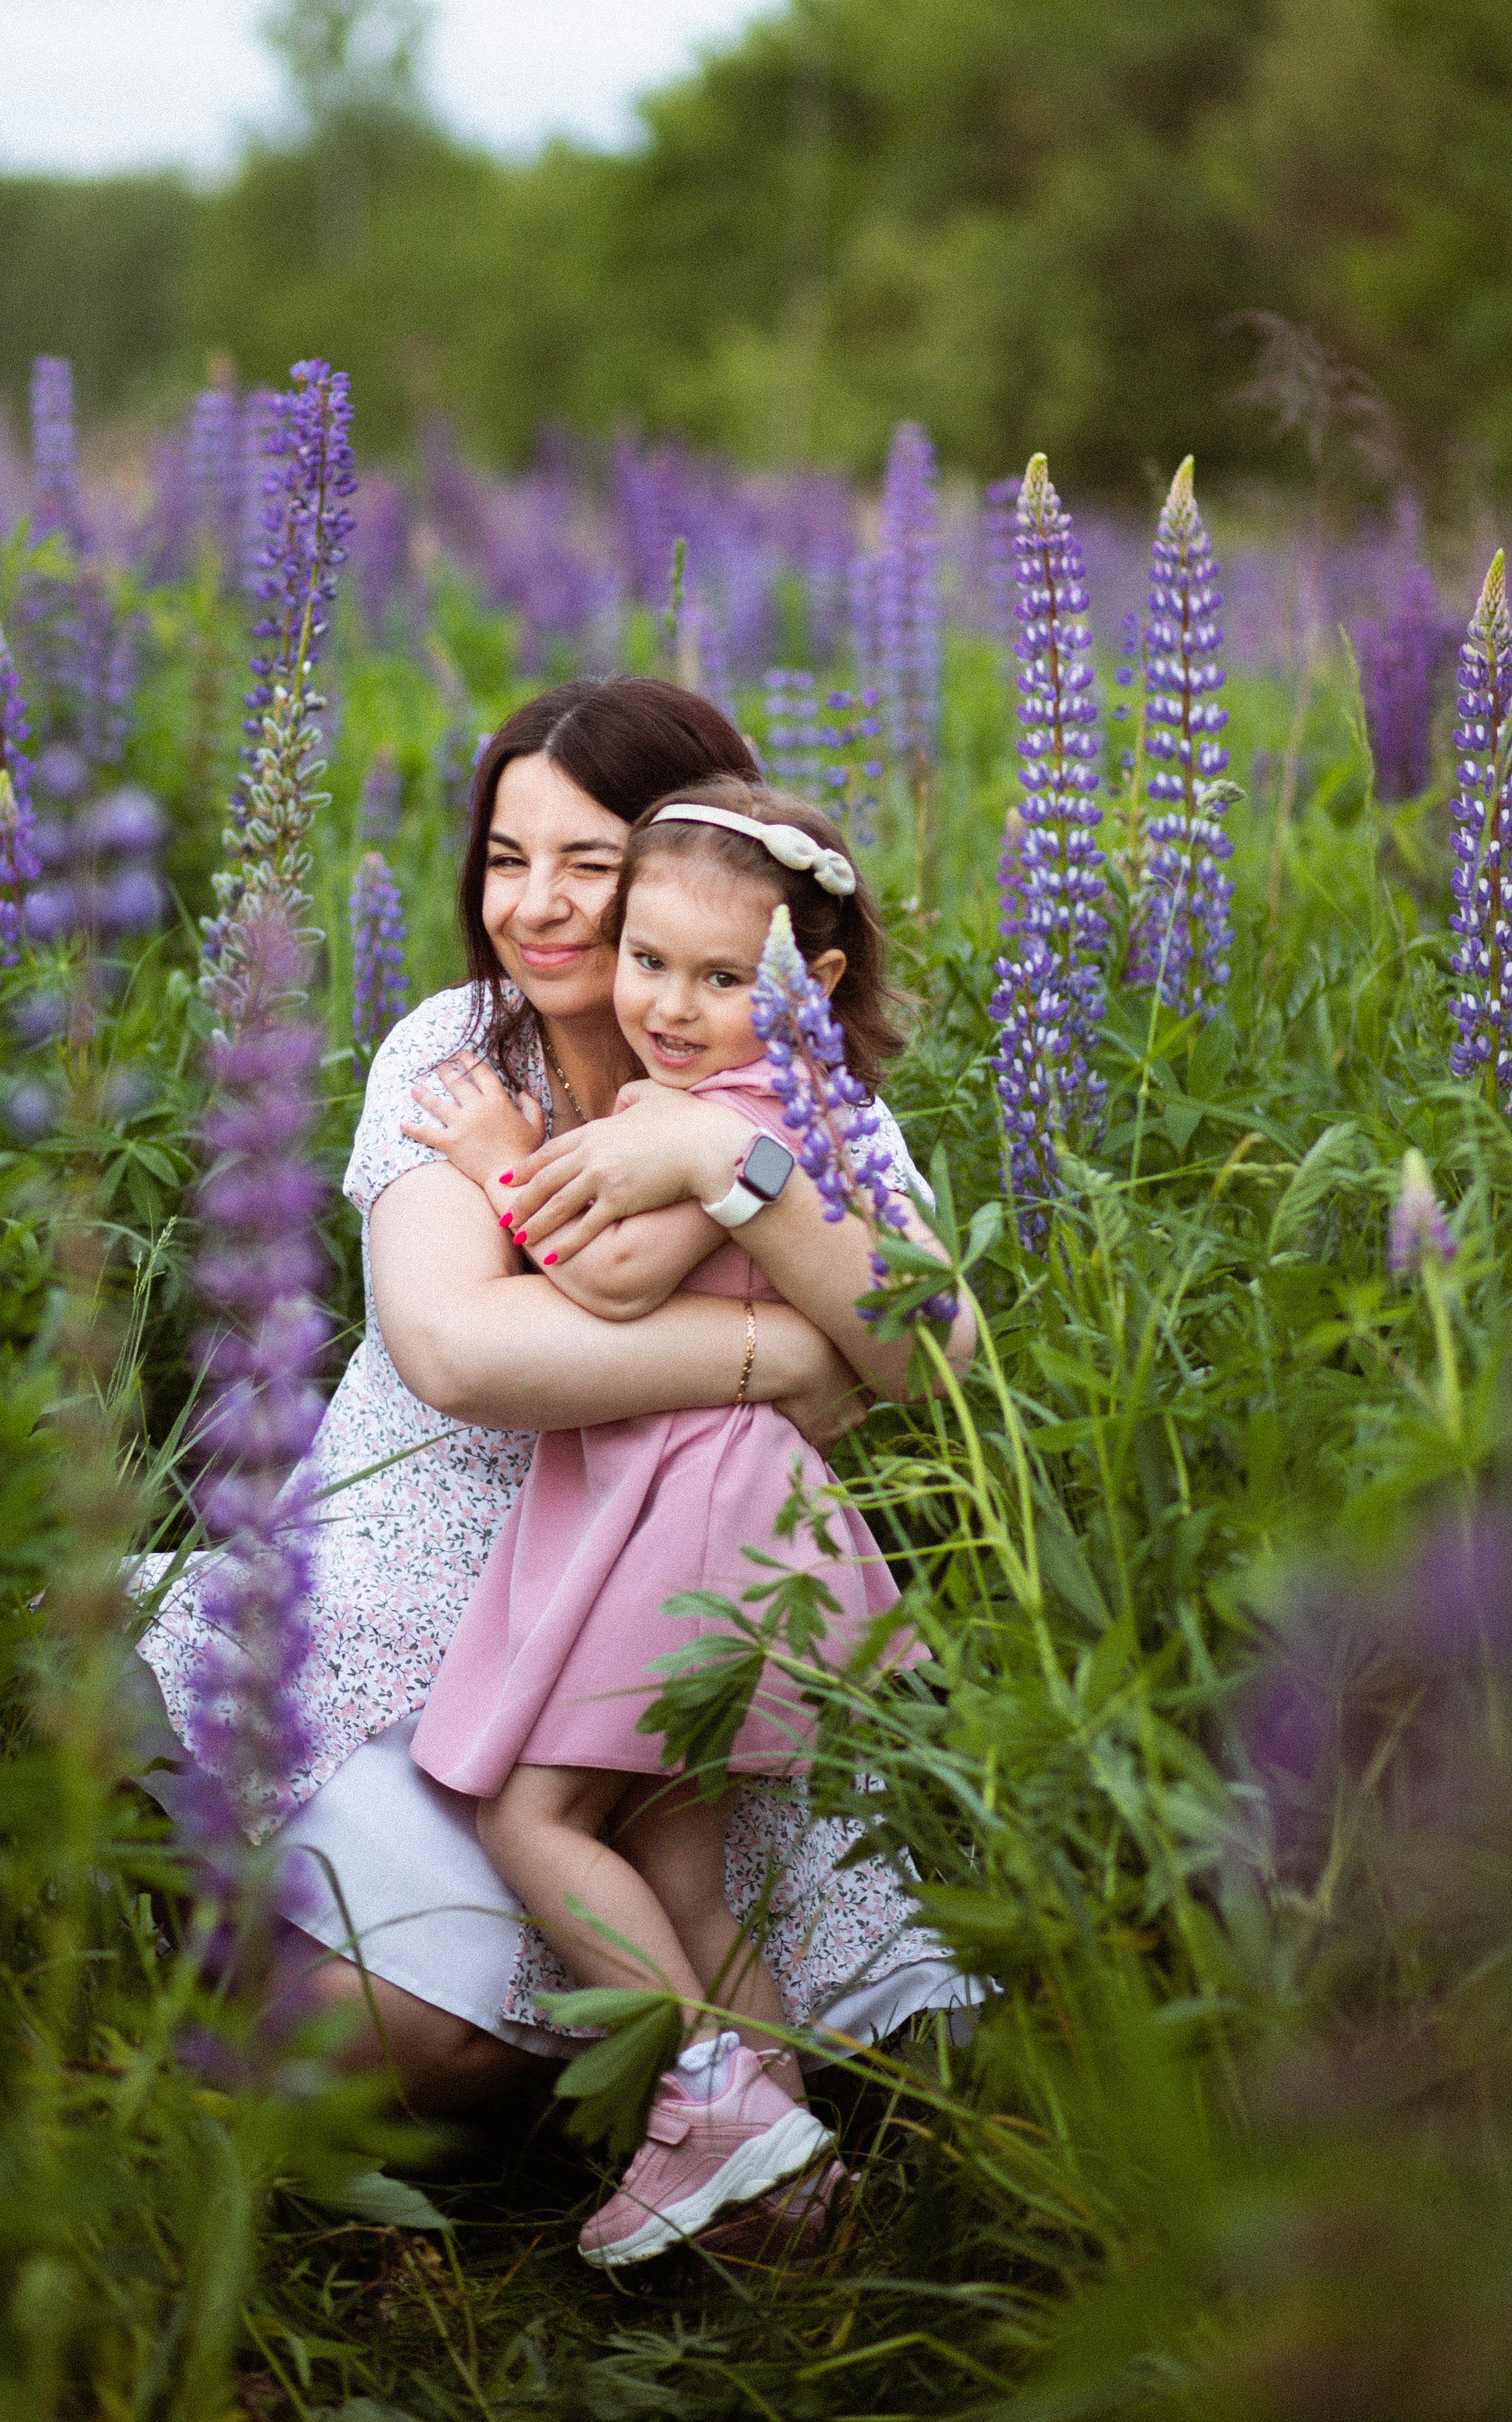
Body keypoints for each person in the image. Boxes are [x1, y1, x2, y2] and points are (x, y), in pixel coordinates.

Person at [130, 679, 984, 2132]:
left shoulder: (792, 1083)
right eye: (504, 858)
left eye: (588, 863)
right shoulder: (458, 1056)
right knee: (412, 2035)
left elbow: (934, 1353)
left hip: (671, 1621)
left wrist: (726, 1161)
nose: (535, 906)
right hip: (424, 1614)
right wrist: (781, 1353)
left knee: (899, 2040)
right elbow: (465, 1348)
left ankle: (718, 2134)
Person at [409, 778, 953, 2264]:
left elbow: (610, 1279)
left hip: (699, 1512)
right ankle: (792, 2203)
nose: (668, 1004)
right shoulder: (757, 1106)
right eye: (648, 962)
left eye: (721, 979)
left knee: (533, 1818)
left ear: (809, 985)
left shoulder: (730, 1115)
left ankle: (708, 2101)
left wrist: (496, 1157)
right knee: (678, 1865)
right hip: (712, 1504)